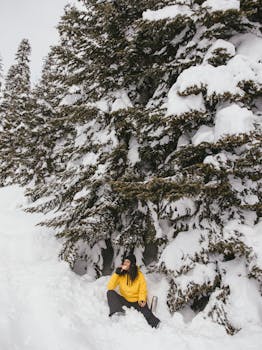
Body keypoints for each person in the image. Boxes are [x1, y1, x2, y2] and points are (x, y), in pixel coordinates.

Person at [106, 253, 160, 328]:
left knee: (146, 311)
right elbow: (110, 287)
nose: (125, 263)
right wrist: (116, 274)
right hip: (124, 299)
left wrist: (142, 299)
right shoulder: (121, 274)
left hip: (136, 301)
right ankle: (116, 313)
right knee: (110, 293)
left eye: (127, 262)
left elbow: (142, 289)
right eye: (124, 262)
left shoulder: (139, 275)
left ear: (132, 264)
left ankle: (156, 324)